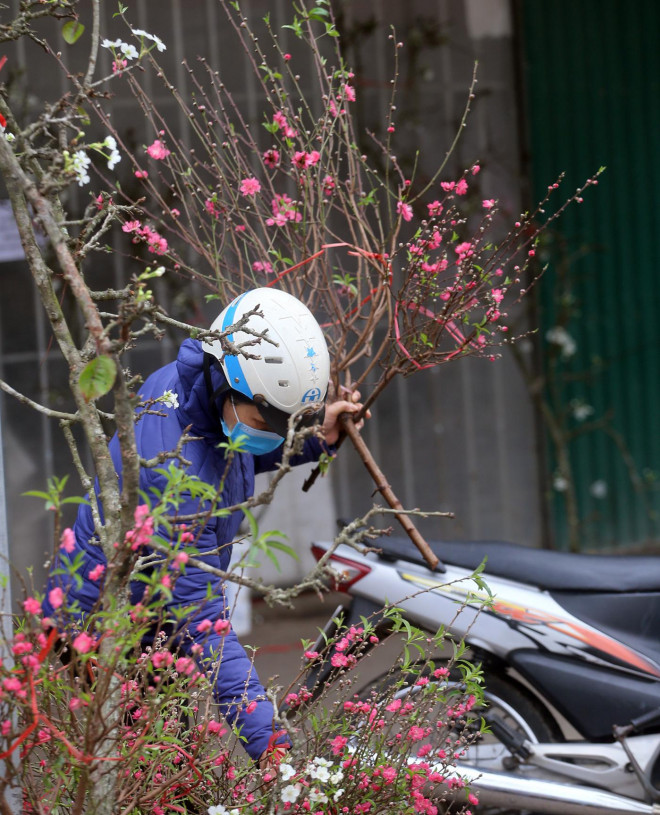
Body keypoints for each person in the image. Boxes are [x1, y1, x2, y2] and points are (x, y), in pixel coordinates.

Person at [41, 287, 363, 765]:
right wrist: (266, 737)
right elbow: (200, 620)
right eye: (267, 419)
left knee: (169, 760)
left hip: (148, 615)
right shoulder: (171, 479)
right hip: (98, 629)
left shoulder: (194, 387)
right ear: (225, 380)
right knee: (157, 773)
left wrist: (318, 439)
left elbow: (236, 449)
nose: (275, 433)